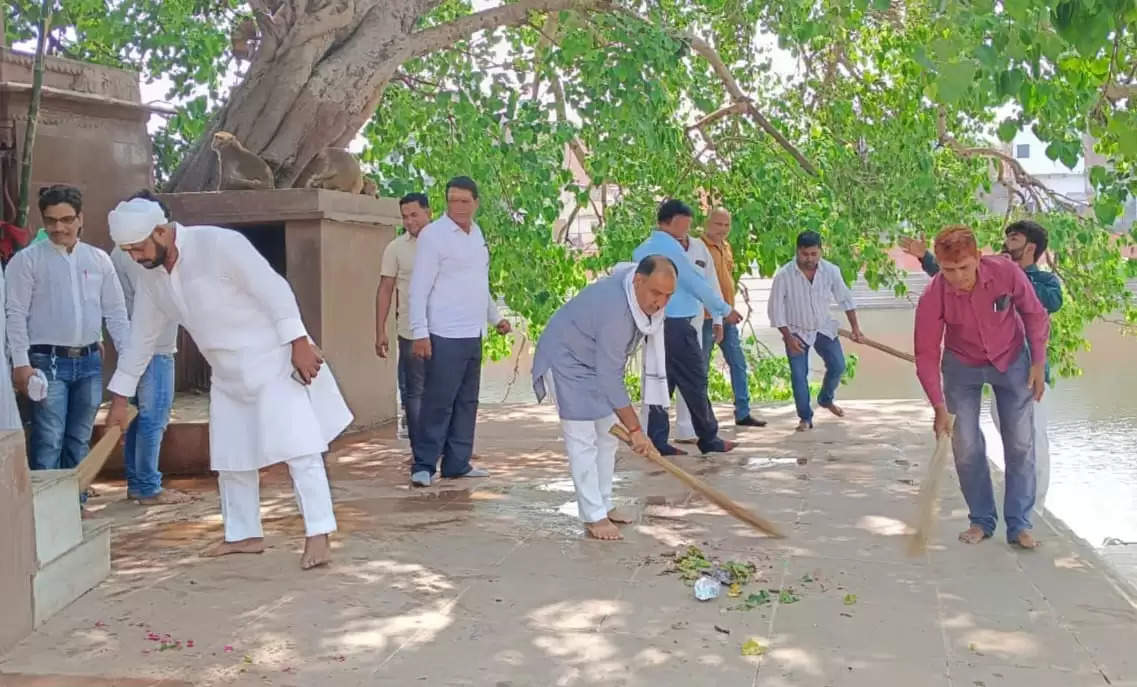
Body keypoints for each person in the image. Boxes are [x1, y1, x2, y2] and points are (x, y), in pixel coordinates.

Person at [103, 197, 352, 569]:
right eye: (128, 251)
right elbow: (141, 338)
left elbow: (274, 290)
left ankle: (318, 534)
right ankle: (244, 534)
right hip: (226, 375)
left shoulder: (218, 245)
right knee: (232, 458)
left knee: (301, 451)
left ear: (161, 231)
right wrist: (120, 398)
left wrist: (299, 343)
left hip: (273, 362)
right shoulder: (151, 277)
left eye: (138, 248)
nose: (135, 257)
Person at [901, 220, 1061, 511]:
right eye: (949, 270)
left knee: (1024, 445)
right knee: (966, 446)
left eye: (964, 268)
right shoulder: (936, 292)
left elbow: (1037, 314)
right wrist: (938, 407)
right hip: (963, 363)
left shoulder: (1017, 275)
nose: (958, 277)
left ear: (977, 258)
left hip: (1013, 360)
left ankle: (1025, 518)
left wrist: (1038, 362)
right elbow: (925, 354)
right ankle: (981, 518)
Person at [532, 256, 671, 540]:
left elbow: (609, 373)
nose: (660, 303)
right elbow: (611, 379)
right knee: (583, 439)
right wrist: (635, 429)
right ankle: (593, 515)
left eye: (668, 296)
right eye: (656, 293)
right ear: (638, 281)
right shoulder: (616, 312)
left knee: (606, 437)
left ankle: (604, 503)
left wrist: (633, 429)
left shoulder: (640, 303)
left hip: (593, 363)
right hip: (566, 361)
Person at [6, 186, 130, 486]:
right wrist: (21, 363)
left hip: (88, 361)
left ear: (80, 219)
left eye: (66, 219)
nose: (58, 227)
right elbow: (15, 314)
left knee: (80, 436)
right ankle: (46, 507)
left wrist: (129, 361)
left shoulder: (99, 259)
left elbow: (115, 312)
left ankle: (75, 503)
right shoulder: (27, 261)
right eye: (50, 221)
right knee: (49, 438)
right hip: (45, 363)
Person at [407, 176, 510, 487]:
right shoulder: (433, 236)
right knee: (439, 401)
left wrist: (496, 318)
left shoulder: (476, 234)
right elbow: (418, 288)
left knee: (467, 402)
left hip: (472, 332)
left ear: (476, 203)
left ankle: (457, 463)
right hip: (443, 333)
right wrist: (420, 332)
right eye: (453, 200)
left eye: (465, 201)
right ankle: (424, 465)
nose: (459, 207)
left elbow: (480, 285)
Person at [632, 199, 742, 456]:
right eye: (684, 226)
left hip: (656, 323)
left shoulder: (645, 248)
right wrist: (724, 310)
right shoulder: (667, 249)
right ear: (669, 222)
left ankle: (658, 440)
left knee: (662, 381)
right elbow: (695, 282)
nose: (687, 232)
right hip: (676, 325)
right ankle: (708, 437)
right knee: (695, 379)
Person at [109, 190, 193, 506]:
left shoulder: (121, 249)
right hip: (152, 346)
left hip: (140, 344)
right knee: (153, 418)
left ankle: (139, 482)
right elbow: (152, 308)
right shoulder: (141, 255)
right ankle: (146, 485)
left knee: (139, 418)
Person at [767, 231, 864, 432]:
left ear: (820, 251)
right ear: (797, 251)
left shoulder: (831, 271)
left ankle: (825, 399)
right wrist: (787, 337)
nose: (809, 259)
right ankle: (805, 418)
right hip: (795, 331)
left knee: (838, 365)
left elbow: (845, 299)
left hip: (823, 327)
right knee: (798, 376)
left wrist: (856, 328)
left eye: (813, 254)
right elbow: (775, 310)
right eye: (805, 254)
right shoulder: (784, 275)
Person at [375, 193, 432, 445]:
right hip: (409, 330)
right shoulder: (395, 248)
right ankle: (421, 450)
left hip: (444, 329)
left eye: (414, 215)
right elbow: (385, 289)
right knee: (413, 391)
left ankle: (443, 444)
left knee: (444, 389)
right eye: (404, 217)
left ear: (428, 212)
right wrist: (380, 331)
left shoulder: (444, 243)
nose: (409, 221)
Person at [702, 208, 766, 428]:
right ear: (707, 223)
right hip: (705, 318)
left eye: (726, 225)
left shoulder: (726, 247)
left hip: (727, 316)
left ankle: (743, 412)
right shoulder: (698, 248)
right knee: (700, 368)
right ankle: (703, 416)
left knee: (738, 363)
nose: (722, 229)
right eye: (718, 224)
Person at [671, 230, 722, 443]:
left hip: (695, 323)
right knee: (657, 380)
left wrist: (718, 319)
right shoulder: (657, 248)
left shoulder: (700, 248)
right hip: (664, 323)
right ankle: (652, 434)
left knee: (694, 377)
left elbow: (711, 284)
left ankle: (688, 430)